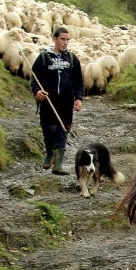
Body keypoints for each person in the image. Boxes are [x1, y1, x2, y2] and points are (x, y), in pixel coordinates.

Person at [30, 27, 83, 175]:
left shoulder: (72, 59)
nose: (65, 43)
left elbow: (79, 81)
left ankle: (58, 164)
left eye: (68, 40)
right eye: (62, 39)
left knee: (63, 130)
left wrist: (78, 98)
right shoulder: (43, 58)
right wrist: (37, 92)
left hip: (66, 102)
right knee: (49, 129)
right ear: (54, 39)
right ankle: (48, 153)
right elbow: (34, 79)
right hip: (48, 101)